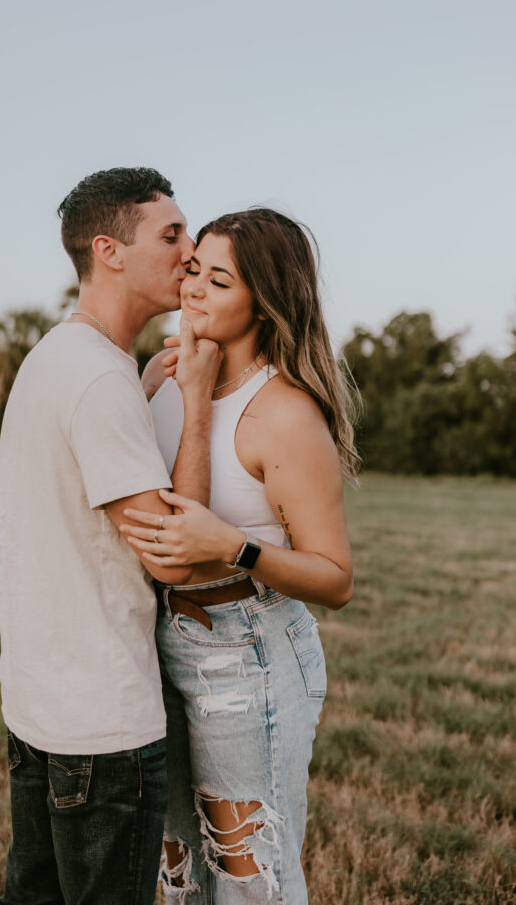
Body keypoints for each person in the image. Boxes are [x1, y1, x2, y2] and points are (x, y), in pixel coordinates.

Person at [0, 167, 222, 905]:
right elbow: (172, 557)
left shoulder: (59, 358)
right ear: (109, 249)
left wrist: (143, 390)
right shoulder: (98, 378)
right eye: (172, 233)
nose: (190, 252)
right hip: (99, 723)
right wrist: (193, 401)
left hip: (40, 704)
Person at [119, 208, 360, 904]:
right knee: (175, 870)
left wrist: (235, 547)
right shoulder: (162, 378)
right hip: (160, 638)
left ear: (263, 302)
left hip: (248, 650)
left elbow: (335, 578)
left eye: (216, 280)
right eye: (192, 268)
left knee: (249, 871)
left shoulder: (283, 413)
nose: (192, 288)